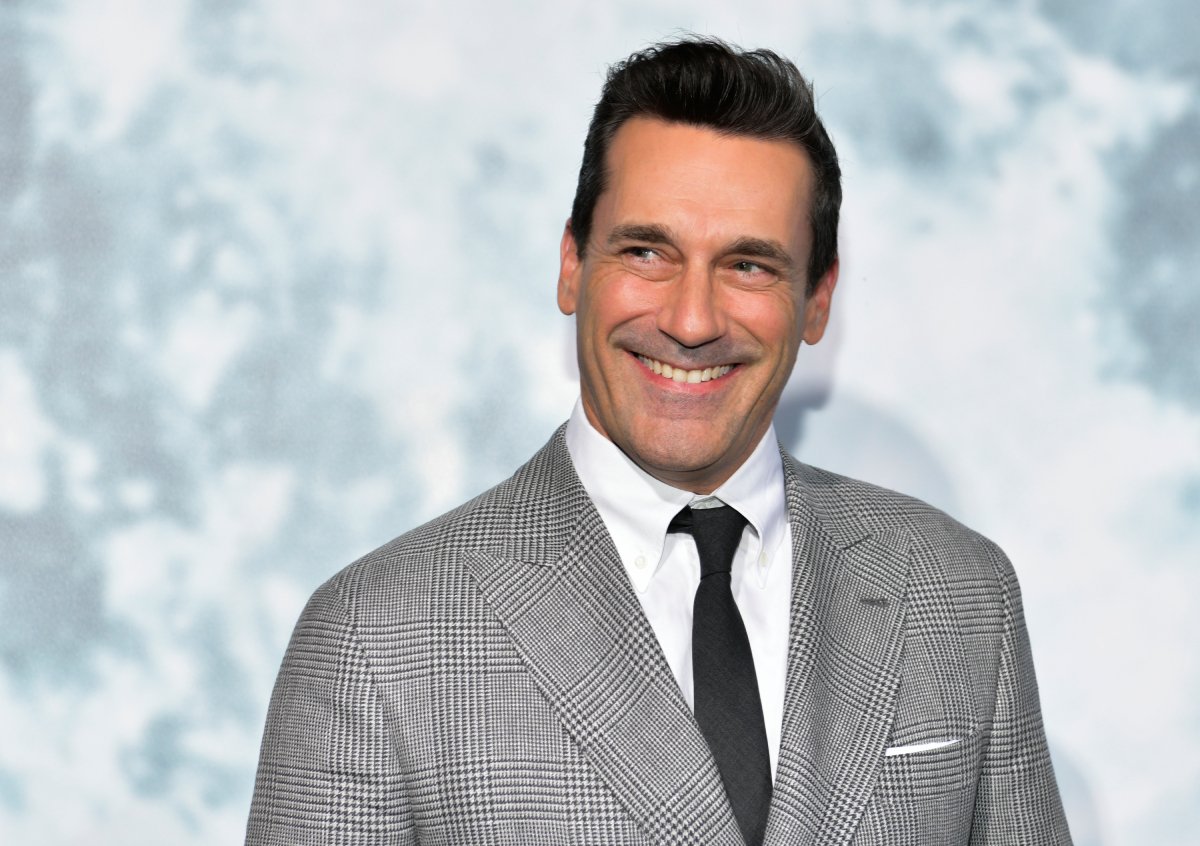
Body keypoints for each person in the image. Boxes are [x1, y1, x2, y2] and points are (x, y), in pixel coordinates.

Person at [246, 37, 1072, 845]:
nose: (691, 319)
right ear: (572, 265)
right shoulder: (376, 637)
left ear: (818, 299)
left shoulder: (961, 593)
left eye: (749, 265)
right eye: (647, 252)